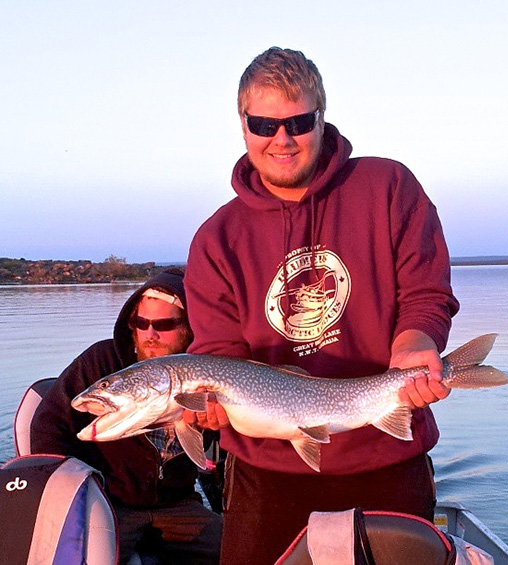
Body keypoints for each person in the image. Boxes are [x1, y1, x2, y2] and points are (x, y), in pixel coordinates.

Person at [183, 47, 460, 564]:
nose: (281, 139)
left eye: (298, 122)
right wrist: (208, 412)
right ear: (242, 124)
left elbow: (426, 291)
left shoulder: (387, 186)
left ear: (322, 116)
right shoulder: (216, 239)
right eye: (264, 123)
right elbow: (218, 351)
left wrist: (416, 341)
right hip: (267, 475)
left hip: (387, 456)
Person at [30, 268, 222, 564]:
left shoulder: (208, 371)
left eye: (164, 324)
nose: (150, 334)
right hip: (111, 505)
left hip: (178, 504)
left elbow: (216, 455)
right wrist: (79, 495)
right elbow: (49, 424)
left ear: (188, 328)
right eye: (140, 323)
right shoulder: (100, 362)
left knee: (237, 551)